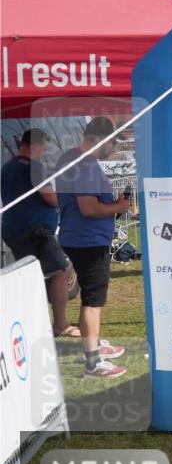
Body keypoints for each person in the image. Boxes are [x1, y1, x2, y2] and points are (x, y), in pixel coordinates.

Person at [54, 117, 130, 378]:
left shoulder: (72, 158)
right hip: (88, 241)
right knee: (93, 301)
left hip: (80, 238)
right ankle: (93, 362)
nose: (115, 149)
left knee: (91, 295)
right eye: (113, 142)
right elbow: (88, 207)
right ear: (98, 139)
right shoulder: (84, 164)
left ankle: (94, 343)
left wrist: (112, 208)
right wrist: (117, 208)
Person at [1, 129, 77, 338]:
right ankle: (60, 324)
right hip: (35, 231)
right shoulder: (34, 167)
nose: (44, 152)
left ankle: (30, 322)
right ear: (32, 145)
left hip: (13, 229)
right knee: (62, 271)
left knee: (31, 276)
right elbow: (49, 197)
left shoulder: (7, 167)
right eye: (43, 147)